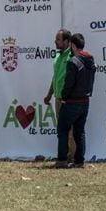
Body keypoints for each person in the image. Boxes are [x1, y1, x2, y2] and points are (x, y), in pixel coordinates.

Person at [56, 33, 96, 169]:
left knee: (62, 129)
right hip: (85, 101)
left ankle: (61, 160)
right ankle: (79, 161)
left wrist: (64, 98)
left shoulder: (73, 62)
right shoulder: (90, 60)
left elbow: (68, 84)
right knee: (80, 131)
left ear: (72, 45)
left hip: (72, 101)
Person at [44, 29, 76, 162]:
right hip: (58, 99)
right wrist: (49, 94)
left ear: (67, 41)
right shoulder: (57, 56)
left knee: (71, 131)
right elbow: (55, 78)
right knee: (62, 129)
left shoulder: (72, 57)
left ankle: (72, 157)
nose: (55, 41)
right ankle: (66, 156)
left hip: (68, 100)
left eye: (58, 39)